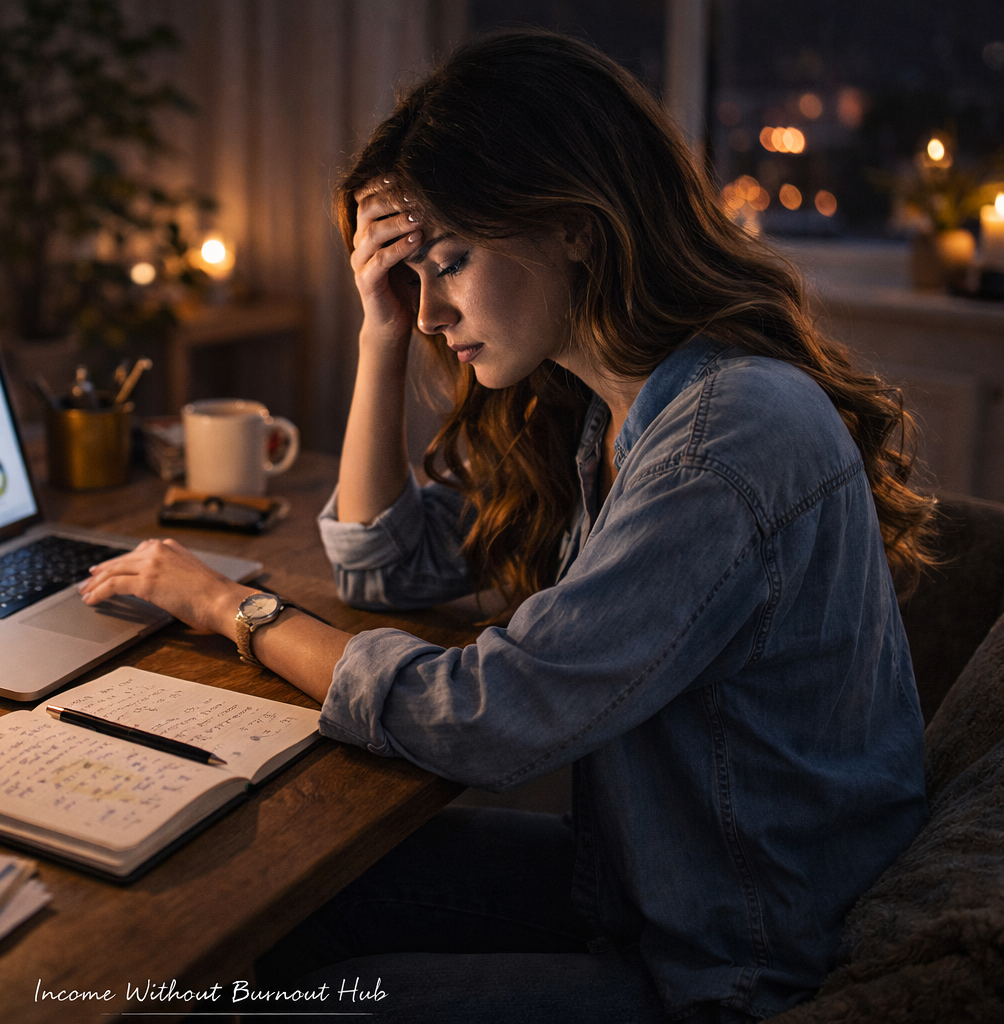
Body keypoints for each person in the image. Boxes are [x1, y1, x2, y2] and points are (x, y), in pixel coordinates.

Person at [77, 29, 933, 1023]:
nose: (433, 308)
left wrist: (231, 606)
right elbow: (385, 563)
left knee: (276, 997)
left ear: (571, 224)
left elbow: (490, 715)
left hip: (735, 964)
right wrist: (380, 325)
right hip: (648, 887)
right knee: (264, 898)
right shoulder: (615, 412)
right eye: (411, 275)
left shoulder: (719, 439)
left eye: (450, 262)